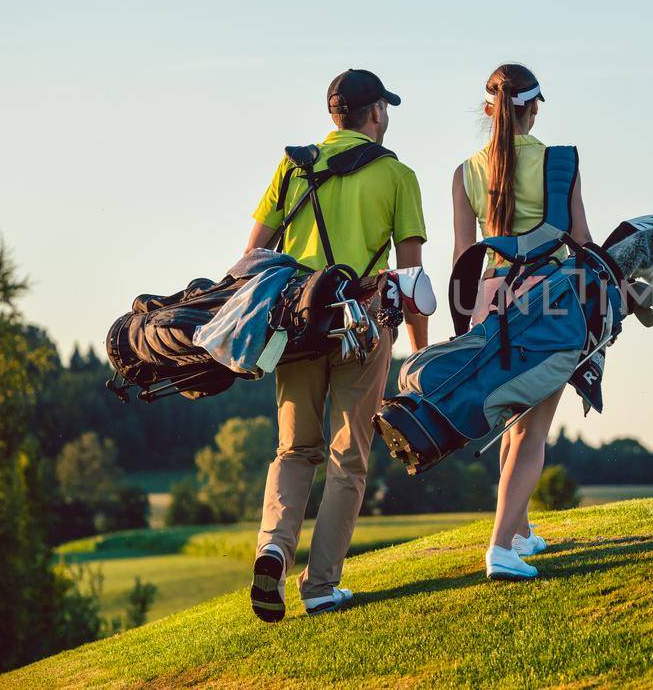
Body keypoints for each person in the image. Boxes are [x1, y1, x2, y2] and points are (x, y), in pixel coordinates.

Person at [243, 69, 430, 619]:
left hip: (297, 325)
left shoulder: (292, 166)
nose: (387, 117)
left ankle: (273, 547)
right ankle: (321, 585)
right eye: (385, 109)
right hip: (363, 325)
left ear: (334, 116)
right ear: (374, 113)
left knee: (294, 449)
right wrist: (417, 355)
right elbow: (410, 280)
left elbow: (252, 257)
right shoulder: (397, 174)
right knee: (347, 457)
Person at [452, 63, 590, 580]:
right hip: (549, 300)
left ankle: (520, 532)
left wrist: (465, 324)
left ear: (490, 109)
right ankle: (500, 549)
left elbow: (464, 256)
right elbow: (580, 239)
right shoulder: (561, 162)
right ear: (532, 108)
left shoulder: (465, 171)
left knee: (511, 419)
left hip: (491, 298)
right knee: (533, 431)